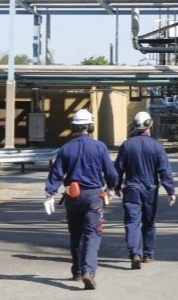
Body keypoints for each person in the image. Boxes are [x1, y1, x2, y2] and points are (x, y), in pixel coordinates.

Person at [45, 109, 118, 290]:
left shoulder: (65, 148)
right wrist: (112, 186)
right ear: (90, 127)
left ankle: (77, 271)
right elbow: (110, 172)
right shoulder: (100, 147)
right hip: (93, 196)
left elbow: (56, 173)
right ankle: (88, 270)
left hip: (72, 196)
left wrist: (50, 193)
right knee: (92, 234)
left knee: (76, 234)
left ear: (73, 127)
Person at [114, 111, 176, 269]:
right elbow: (164, 170)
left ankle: (135, 253)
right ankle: (148, 254)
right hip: (150, 188)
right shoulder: (156, 146)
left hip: (131, 187)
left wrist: (114, 186)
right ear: (149, 125)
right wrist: (170, 191)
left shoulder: (127, 145)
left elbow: (118, 169)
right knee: (148, 222)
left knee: (132, 222)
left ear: (134, 126)